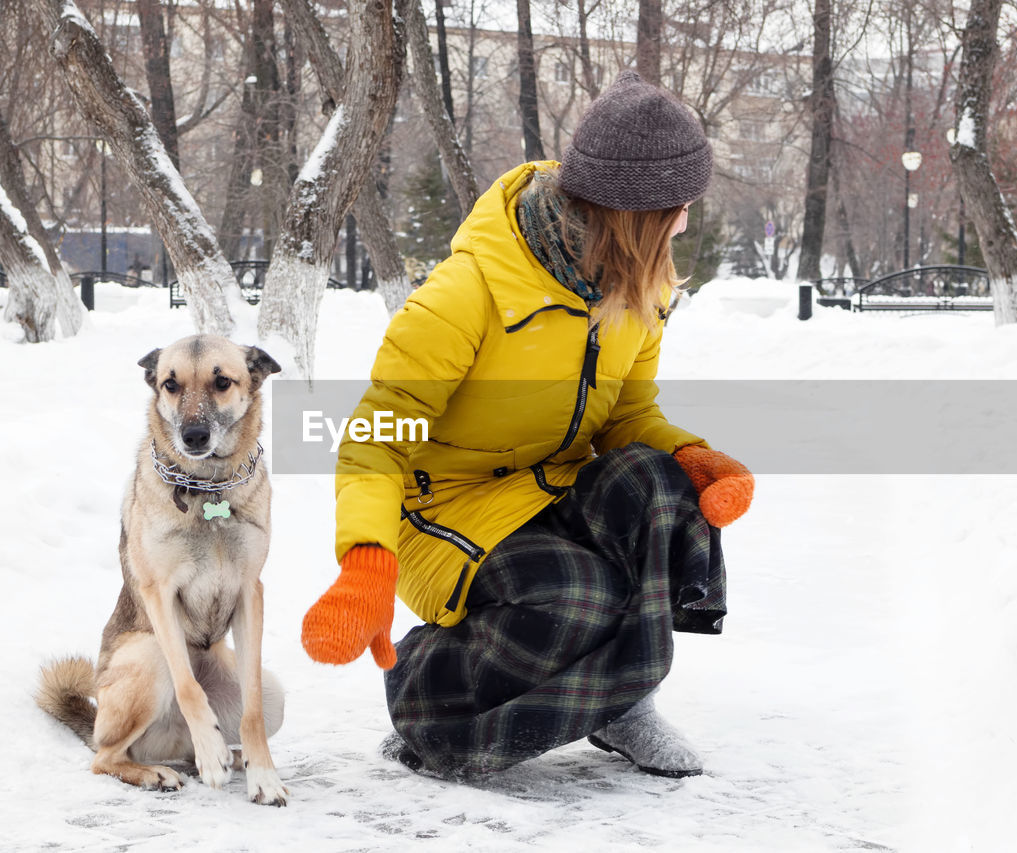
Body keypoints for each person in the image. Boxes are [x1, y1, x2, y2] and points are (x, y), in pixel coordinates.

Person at [300, 71, 754, 781]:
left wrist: (690, 457)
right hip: (442, 509)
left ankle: (623, 703)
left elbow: (629, 415)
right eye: (681, 204)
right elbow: (375, 436)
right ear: (636, 212)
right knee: (579, 595)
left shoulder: (643, 287)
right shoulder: (467, 293)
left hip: (544, 492)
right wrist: (365, 559)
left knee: (660, 488)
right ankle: (430, 700)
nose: (688, 220)